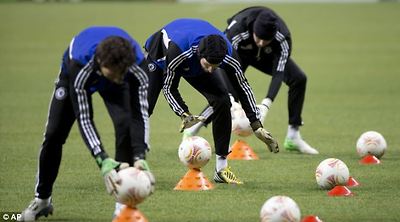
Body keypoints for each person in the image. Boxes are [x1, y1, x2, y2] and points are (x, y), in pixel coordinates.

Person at [19, 26, 151, 221]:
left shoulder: (135, 67)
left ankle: (121, 207)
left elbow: (140, 114)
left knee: (124, 126)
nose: (116, 79)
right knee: (54, 134)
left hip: (116, 73)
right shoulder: (79, 65)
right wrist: (102, 159)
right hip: (74, 77)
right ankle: (42, 200)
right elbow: (84, 116)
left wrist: (140, 154)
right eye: (113, 73)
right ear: (100, 63)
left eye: (120, 74)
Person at [144, 18, 279, 185]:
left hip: (195, 58)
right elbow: (169, 87)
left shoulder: (227, 55)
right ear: (200, 55)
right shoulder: (178, 54)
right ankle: (135, 162)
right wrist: (184, 114)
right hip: (161, 54)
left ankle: (221, 169)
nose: (210, 71)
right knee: (146, 107)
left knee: (222, 100)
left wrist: (256, 124)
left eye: (215, 67)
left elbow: (243, 87)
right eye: (208, 65)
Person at [184, 6, 319, 154]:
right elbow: (223, 62)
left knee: (299, 78)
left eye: (266, 40)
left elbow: (279, 72)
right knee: (225, 95)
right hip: (238, 55)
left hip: (267, 57)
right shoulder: (237, 30)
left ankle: (293, 136)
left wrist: (266, 105)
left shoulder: (283, 37)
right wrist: (231, 97)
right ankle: (192, 130)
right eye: (258, 37)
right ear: (253, 29)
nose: (261, 42)